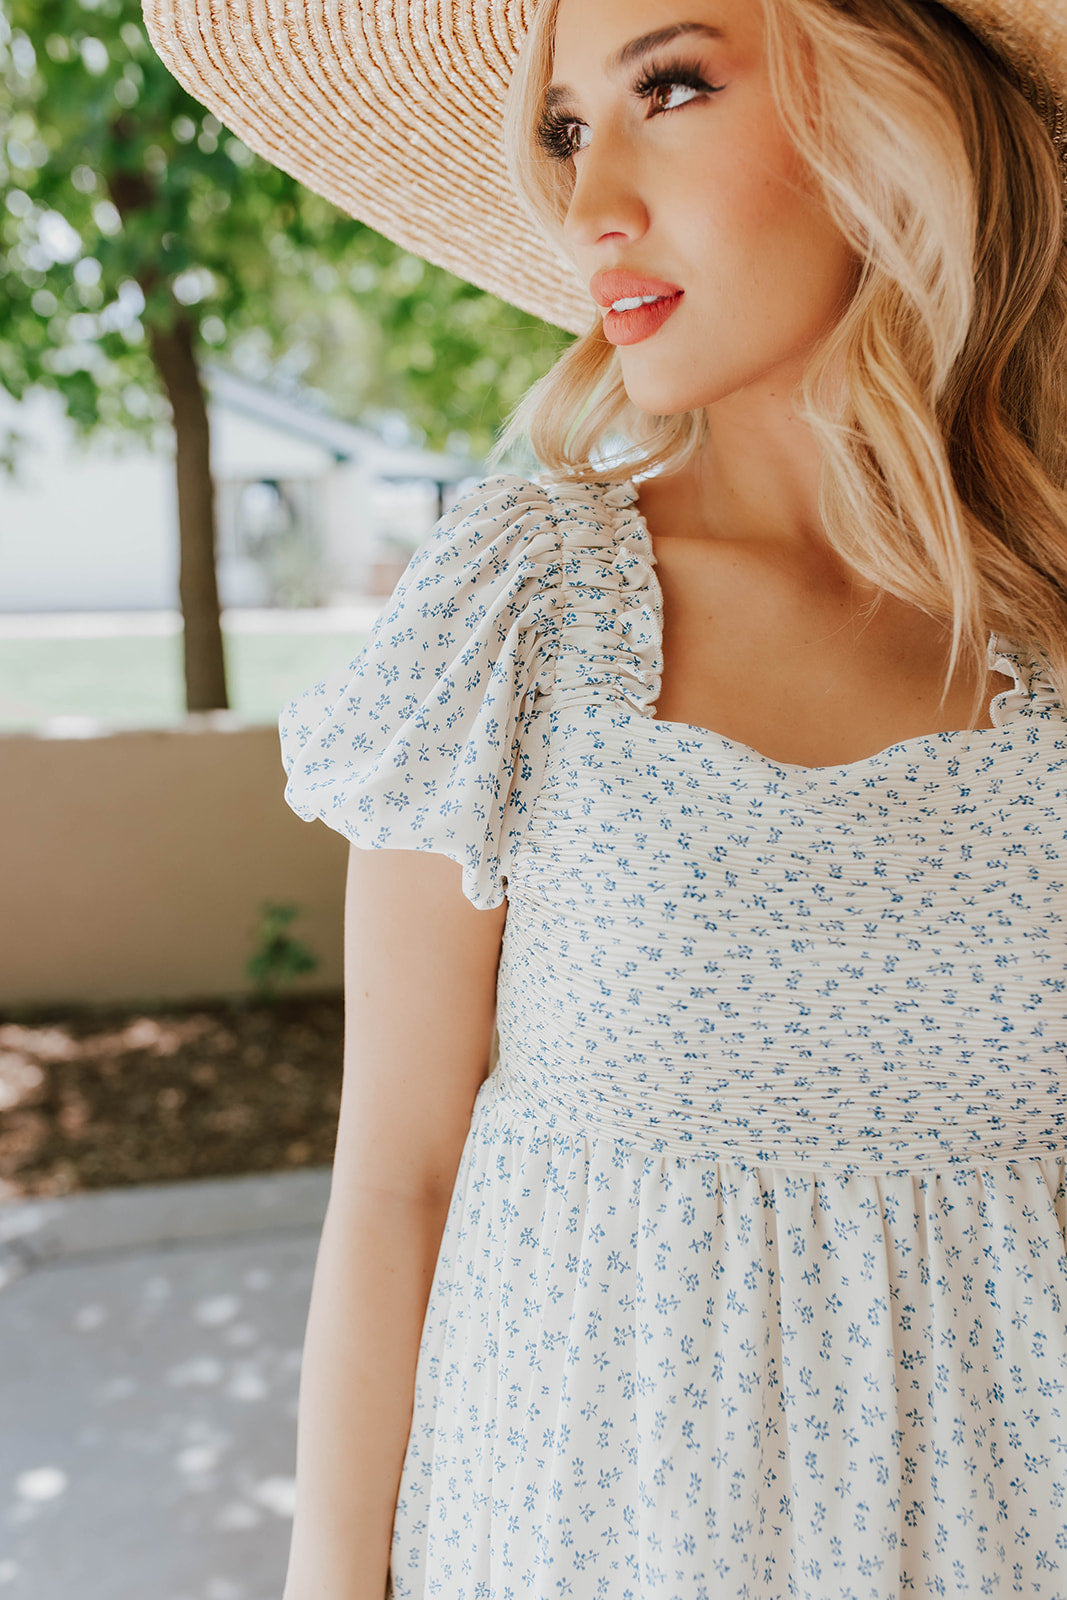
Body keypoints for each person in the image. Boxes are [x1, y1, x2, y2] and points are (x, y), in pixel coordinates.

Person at [145, 0, 1067, 1593]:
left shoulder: (1049, 636)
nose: (588, 205)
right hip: (577, 1530)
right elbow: (395, 1183)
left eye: (673, 87)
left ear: (891, 114)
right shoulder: (529, 607)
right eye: (566, 130)